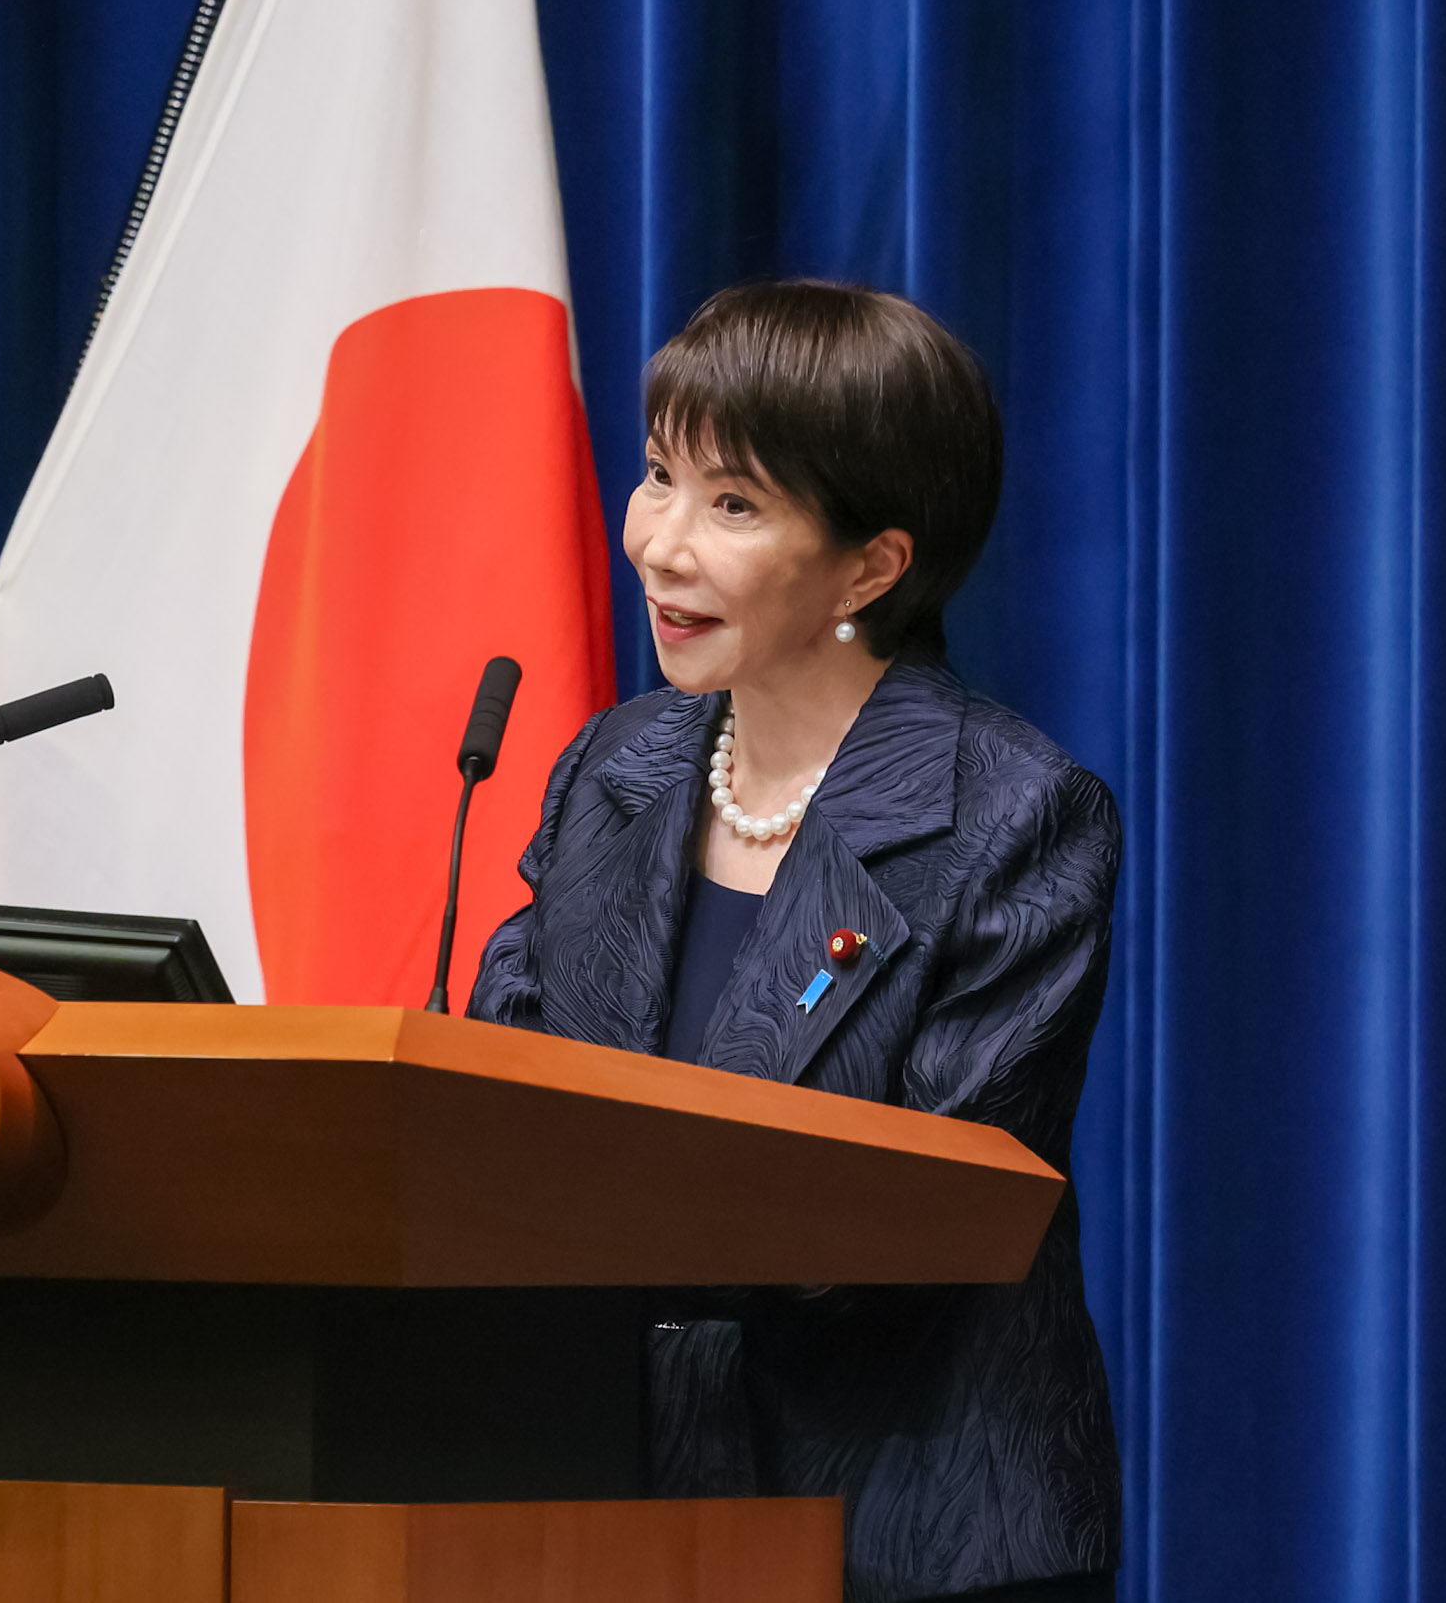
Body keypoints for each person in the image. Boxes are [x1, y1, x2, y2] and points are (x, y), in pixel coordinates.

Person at [468, 281, 1122, 1603]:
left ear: (871, 565)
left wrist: (574, 1221)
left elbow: (923, 1219)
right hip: (609, 1510)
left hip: (909, 1532)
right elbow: (505, 1079)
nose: (658, 545)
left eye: (735, 504)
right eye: (659, 477)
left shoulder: (1010, 814)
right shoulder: (616, 770)